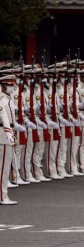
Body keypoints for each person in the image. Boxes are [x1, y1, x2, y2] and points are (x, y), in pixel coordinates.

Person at [0, 75, 19, 205]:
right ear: (3, 86)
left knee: (5, 166)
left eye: (13, 85)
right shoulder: (2, 100)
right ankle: (3, 196)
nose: (12, 87)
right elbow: (4, 117)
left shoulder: (8, 99)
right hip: (3, 134)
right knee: (4, 167)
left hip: (7, 132)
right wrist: (8, 132)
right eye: (9, 85)